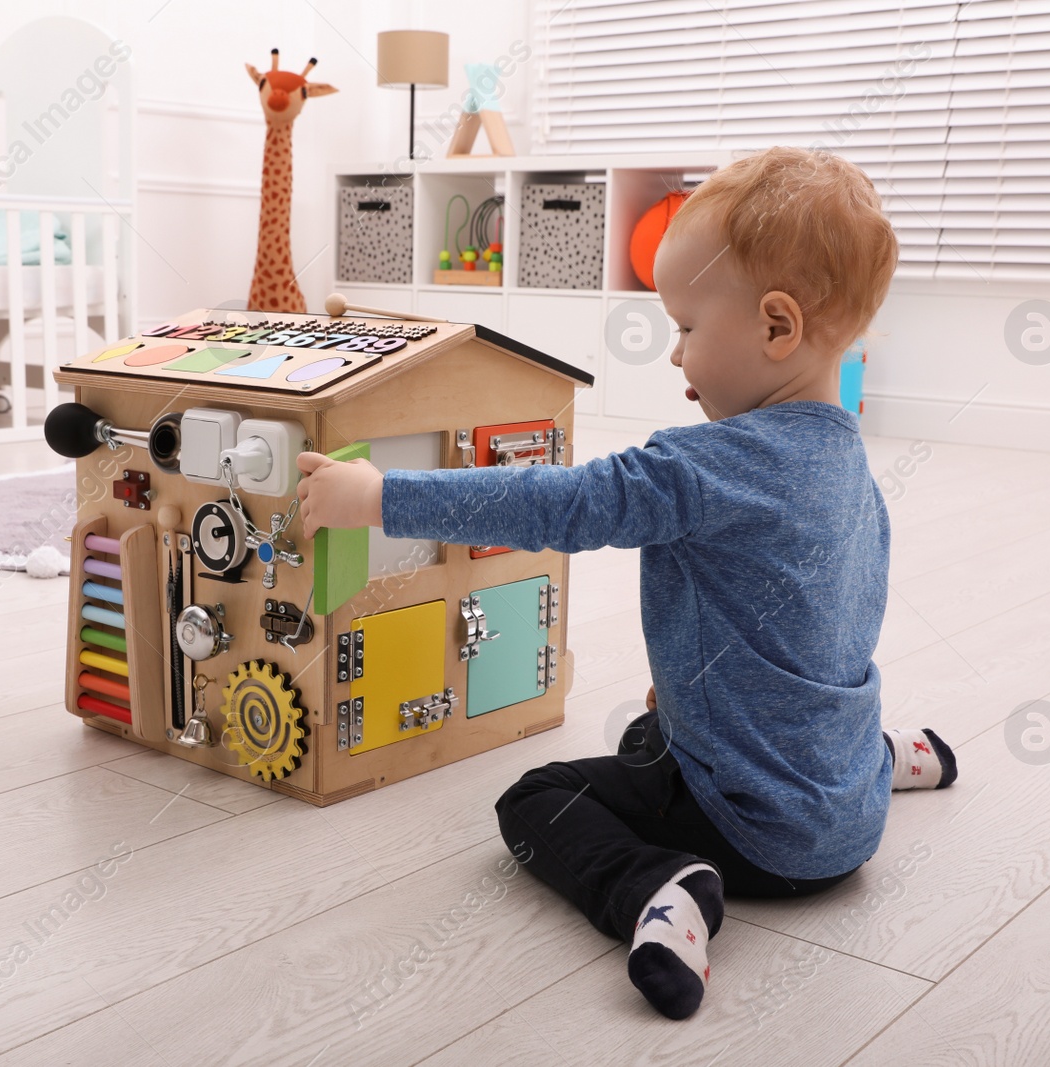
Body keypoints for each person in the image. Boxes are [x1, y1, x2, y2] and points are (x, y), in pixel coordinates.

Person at [294, 145, 957, 1021]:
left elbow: (556, 503)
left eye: (685, 325)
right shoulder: (850, 465)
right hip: (849, 825)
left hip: (751, 834)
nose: (676, 352)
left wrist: (382, 496)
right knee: (656, 729)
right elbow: (832, 618)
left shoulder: (699, 466)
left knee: (536, 799)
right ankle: (887, 757)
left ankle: (662, 888)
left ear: (776, 328)